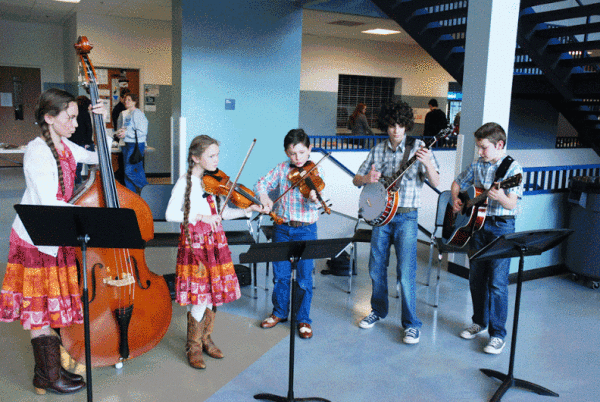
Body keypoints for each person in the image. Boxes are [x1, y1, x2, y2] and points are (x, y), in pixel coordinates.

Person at [0, 88, 104, 395]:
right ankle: (47, 374)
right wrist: (90, 218)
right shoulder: (37, 150)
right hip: (36, 239)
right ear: (49, 117)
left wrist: (101, 124)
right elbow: (49, 203)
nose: (74, 123)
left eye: (77, 117)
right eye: (70, 117)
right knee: (39, 307)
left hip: (54, 235)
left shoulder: (65, 146)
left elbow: (100, 156)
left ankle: (47, 371)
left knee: (47, 305)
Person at [165, 135, 263, 370]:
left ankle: (205, 338)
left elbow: (223, 214)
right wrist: (200, 217)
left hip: (216, 244)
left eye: (217, 154)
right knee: (200, 295)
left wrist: (247, 210)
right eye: (211, 155)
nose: (216, 160)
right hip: (196, 245)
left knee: (212, 294)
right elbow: (171, 214)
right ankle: (194, 345)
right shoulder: (185, 182)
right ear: (195, 158)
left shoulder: (214, 182)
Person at [353, 101, 440, 344]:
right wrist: (366, 178)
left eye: (401, 125)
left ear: (406, 126)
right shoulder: (378, 149)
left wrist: (428, 164)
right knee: (375, 267)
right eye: (392, 125)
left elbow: (436, 180)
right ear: (386, 126)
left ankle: (412, 324)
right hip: (381, 217)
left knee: (406, 272)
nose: (396, 130)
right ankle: (378, 311)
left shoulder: (419, 148)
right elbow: (356, 180)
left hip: (406, 216)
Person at [452, 122, 523, 355]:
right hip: (477, 226)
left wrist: (501, 196)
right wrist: (457, 200)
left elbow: (512, 203)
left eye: (483, 147)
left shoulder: (513, 170)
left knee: (497, 283)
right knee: (476, 277)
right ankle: (479, 322)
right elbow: (457, 183)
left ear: (499, 145)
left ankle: (497, 334)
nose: (480, 152)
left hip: (501, 226)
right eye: (478, 147)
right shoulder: (477, 165)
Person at [255, 129, 322, 340]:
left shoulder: (315, 171)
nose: (298, 158)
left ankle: (303, 319)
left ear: (309, 150)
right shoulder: (282, 169)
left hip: (306, 229)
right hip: (282, 228)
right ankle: (279, 313)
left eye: (302, 152)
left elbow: (318, 200)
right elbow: (261, 184)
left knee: (304, 277)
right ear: (286, 153)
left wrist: (314, 198)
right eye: (293, 154)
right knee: (281, 275)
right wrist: (265, 197)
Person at [116, 93, 148, 193]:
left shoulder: (137, 113)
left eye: (129, 100)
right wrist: (121, 132)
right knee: (133, 172)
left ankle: (147, 189)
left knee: (129, 171)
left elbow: (142, 131)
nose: (126, 101)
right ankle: (132, 195)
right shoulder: (128, 114)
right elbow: (127, 129)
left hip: (135, 145)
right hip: (127, 144)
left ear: (134, 101)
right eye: (125, 100)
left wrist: (127, 134)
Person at [70, 95, 94, 185]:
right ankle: (93, 184)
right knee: (92, 166)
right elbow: (89, 129)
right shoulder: (85, 113)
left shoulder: (74, 114)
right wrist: (88, 142)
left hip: (75, 143)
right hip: (85, 142)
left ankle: (77, 185)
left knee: (77, 168)